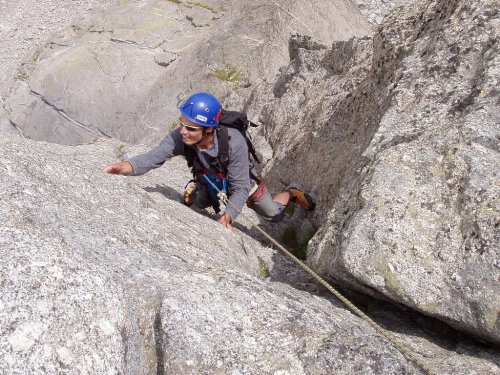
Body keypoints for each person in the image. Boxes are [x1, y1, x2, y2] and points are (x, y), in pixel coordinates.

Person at [102, 92, 315, 231]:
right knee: (198, 204)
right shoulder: (180, 137)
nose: (183, 132)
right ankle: (196, 190)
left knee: (275, 216)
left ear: (209, 129)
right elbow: (154, 157)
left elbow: (240, 187)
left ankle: (290, 194)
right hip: (208, 180)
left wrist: (229, 215)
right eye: (182, 124)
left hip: (242, 184)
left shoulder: (234, 142)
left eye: (191, 128)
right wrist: (124, 167)